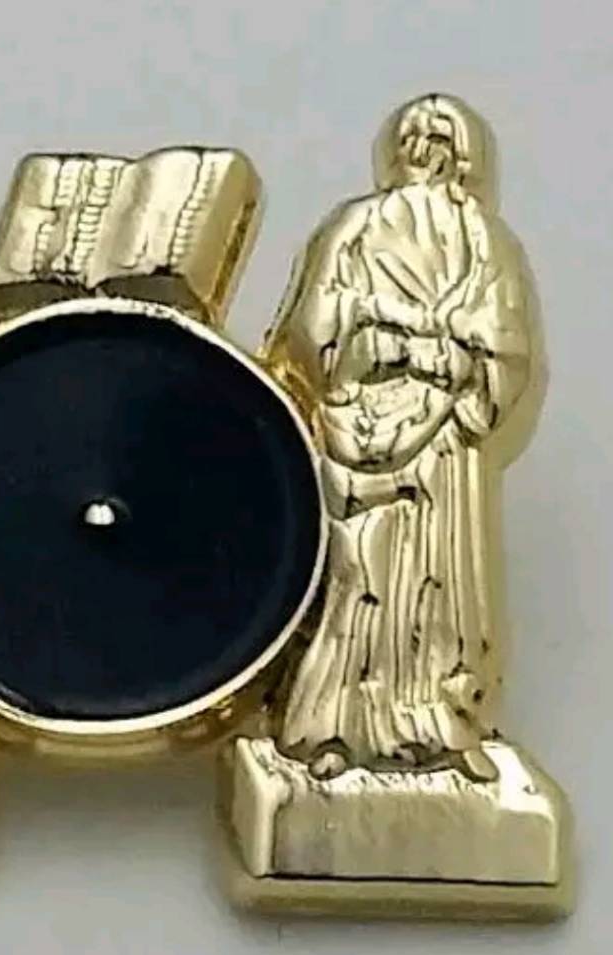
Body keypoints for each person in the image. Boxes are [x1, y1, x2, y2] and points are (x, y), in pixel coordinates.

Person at [264, 94, 544, 781]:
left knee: (442, 588)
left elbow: (507, 341)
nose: (425, 153)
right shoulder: (354, 228)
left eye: (440, 141)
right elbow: (314, 329)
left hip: (446, 444)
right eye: (413, 139)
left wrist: (455, 362)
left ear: (465, 156)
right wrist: (382, 342)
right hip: (363, 433)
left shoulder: (486, 242)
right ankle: (333, 732)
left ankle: (443, 727)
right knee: (359, 578)